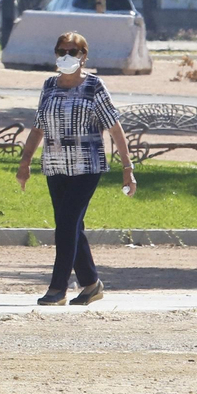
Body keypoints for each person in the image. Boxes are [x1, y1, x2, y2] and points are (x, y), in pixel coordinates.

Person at [15, 31, 136, 307]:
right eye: (61, 51)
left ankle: (58, 288)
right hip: (56, 165)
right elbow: (38, 127)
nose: (66, 57)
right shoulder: (49, 85)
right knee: (71, 225)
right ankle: (92, 284)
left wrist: (127, 167)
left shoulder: (94, 86)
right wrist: (25, 162)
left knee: (67, 223)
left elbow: (114, 128)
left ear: (83, 56)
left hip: (86, 165)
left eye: (72, 52)